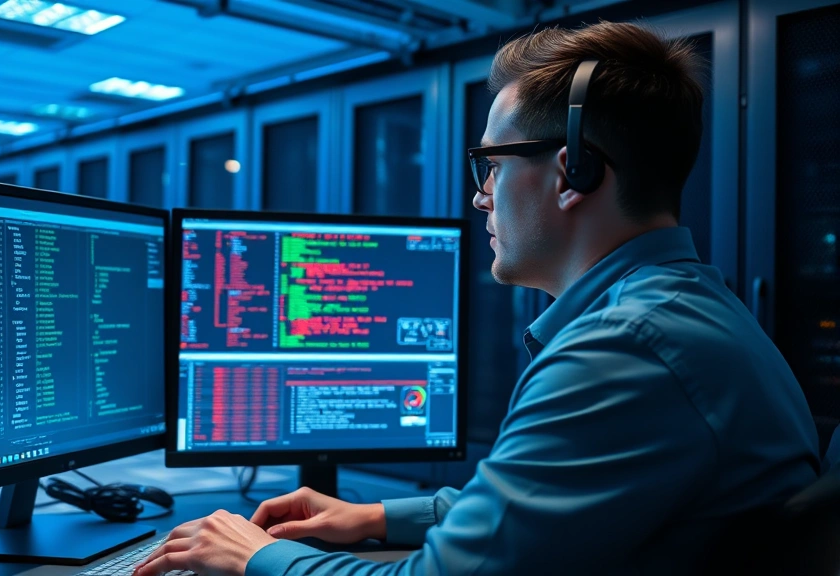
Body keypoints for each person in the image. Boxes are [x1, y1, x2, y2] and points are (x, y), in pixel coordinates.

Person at [135, 20, 820, 576]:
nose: (479, 196)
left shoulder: (625, 349)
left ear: (571, 171)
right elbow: (544, 501)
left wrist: (260, 557)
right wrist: (375, 518)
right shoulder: (687, 310)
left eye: (493, 164)